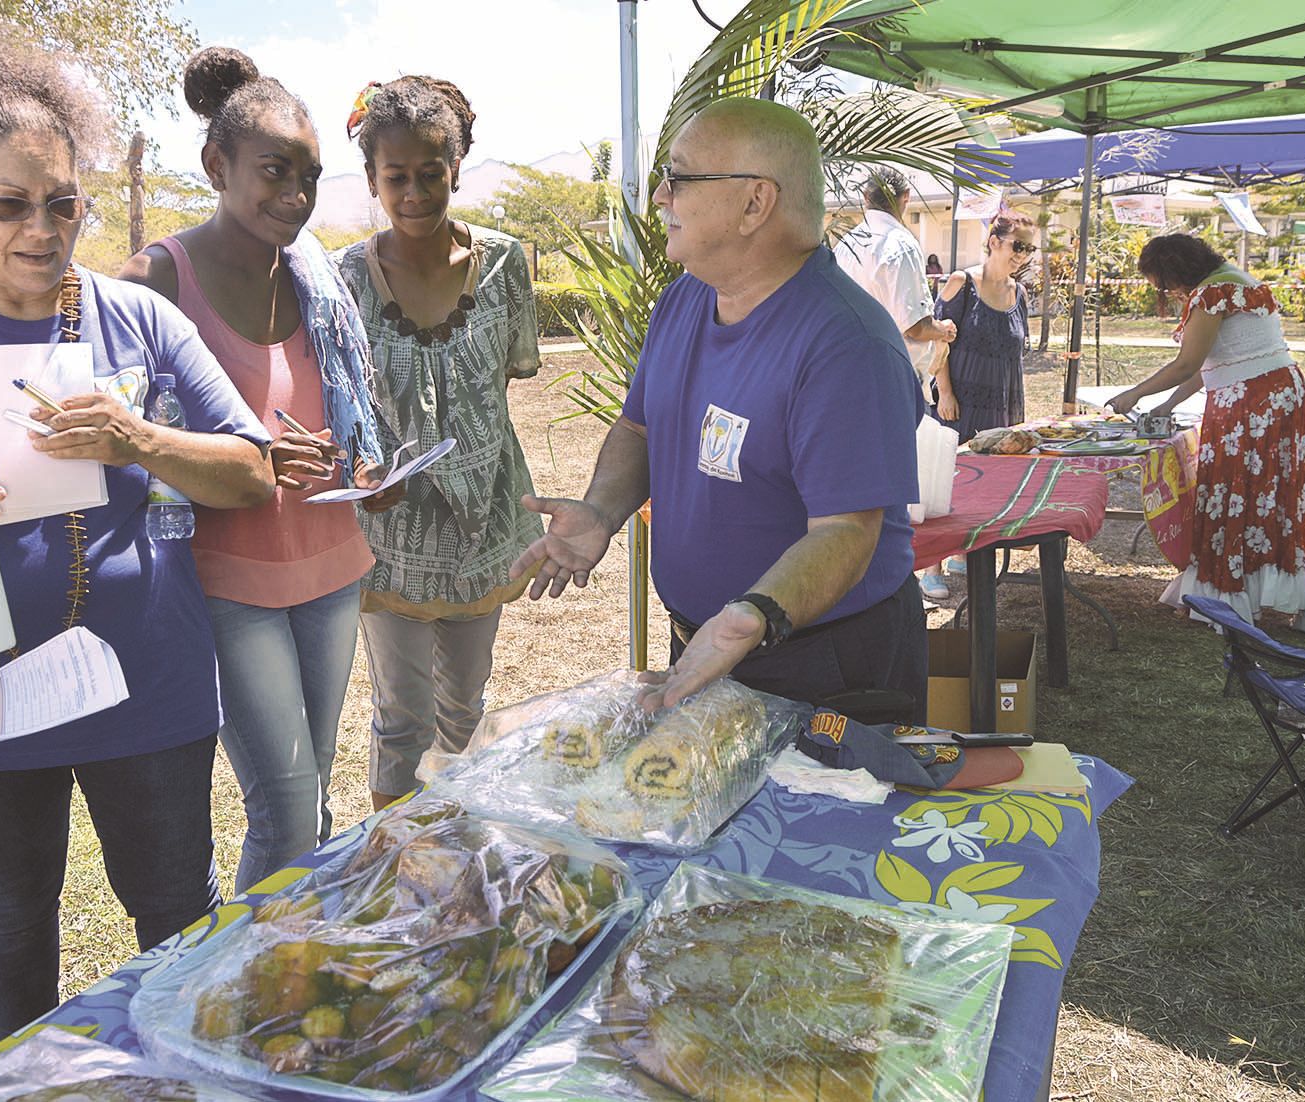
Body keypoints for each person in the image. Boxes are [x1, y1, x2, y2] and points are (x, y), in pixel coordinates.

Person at [0, 40, 277, 1042]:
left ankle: (193, 1068)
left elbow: (252, 469)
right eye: (7, 204)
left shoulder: (141, 321)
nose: (41, 229)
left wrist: (137, 438)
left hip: (144, 693)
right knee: (12, 925)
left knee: (175, 919)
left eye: (62, 203)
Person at [510, 99, 927, 720]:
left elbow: (845, 532)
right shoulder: (682, 301)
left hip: (826, 664)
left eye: (678, 178)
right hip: (714, 645)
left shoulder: (846, 344)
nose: (658, 196)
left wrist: (753, 615)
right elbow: (638, 429)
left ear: (755, 203)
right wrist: (601, 511)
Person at [121, 48, 399, 894]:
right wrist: (248, 463)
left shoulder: (319, 281)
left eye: (309, 178)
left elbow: (342, 412)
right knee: (282, 805)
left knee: (313, 804)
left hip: (329, 564)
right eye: (274, 171)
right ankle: (249, 993)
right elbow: (122, 442)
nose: (296, 196)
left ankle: (287, 965)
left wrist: (363, 463)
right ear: (216, 165)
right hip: (228, 580)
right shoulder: (157, 281)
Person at [339, 76, 544, 809]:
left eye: (432, 173)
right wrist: (366, 467)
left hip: (483, 525)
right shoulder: (346, 281)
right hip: (393, 531)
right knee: (402, 719)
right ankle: (393, 869)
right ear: (371, 178)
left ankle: (454, 852)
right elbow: (343, 408)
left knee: (464, 707)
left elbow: (502, 386)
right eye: (396, 177)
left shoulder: (504, 265)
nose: (416, 193)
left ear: (456, 167)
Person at [1110, 233, 1305, 623]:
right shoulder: (1233, 280)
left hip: (1254, 401)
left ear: (1178, 272)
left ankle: (1228, 591)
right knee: (1264, 493)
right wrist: (1168, 403)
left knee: (1232, 489)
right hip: (1272, 392)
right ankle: (1255, 588)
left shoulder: (1212, 292)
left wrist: (1134, 393)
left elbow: (1188, 363)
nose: (1170, 294)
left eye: (1166, 286)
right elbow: (1213, 363)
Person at [834, 170, 958, 600]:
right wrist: (941, 327)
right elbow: (915, 323)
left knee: (857, 484)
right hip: (892, 373)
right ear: (903, 198)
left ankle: (865, 576)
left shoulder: (848, 241)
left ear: (865, 199)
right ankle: (903, 576)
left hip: (847, 370)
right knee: (897, 487)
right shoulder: (900, 244)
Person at [923, 211, 1036, 595]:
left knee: (984, 484)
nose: (1022, 255)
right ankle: (932, 569)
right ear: (993, 241)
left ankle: (965, 554)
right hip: (961, 399)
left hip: (1002, 402)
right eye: (1016, 245)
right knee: (945, 481)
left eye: (1029, 248)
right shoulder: (961, 283)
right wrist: (946, 393)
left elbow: (1015, 354)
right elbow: (939, 340)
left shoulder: (1019, 293)